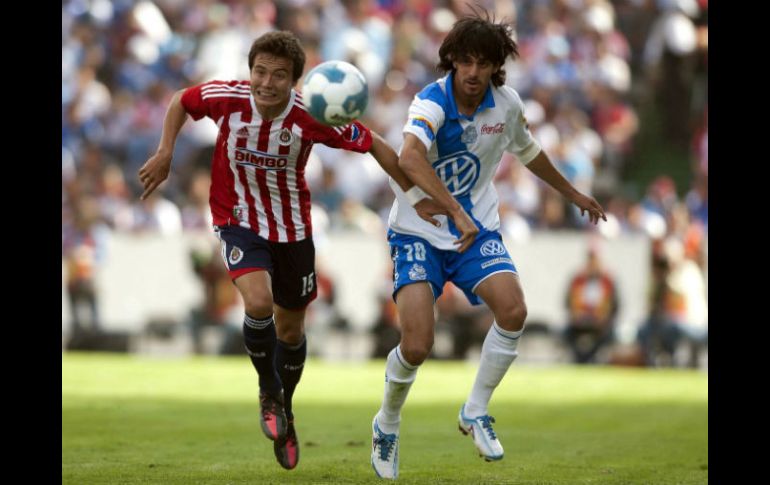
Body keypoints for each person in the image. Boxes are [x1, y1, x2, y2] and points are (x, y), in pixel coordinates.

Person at [138, 31, 444, 471]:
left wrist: (416, 198)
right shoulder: (228, 97)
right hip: (237, 219)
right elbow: (181, 101)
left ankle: (286, 410)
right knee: (258, 302)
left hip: (293, 230)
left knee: (291, 332)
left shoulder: (311, 115)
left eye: (279, 75)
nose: (266, 82)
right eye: (260, 71)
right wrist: (166, 151)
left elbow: (375, 141)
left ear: (294, 82)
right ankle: (268, 391)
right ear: (250, 71)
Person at [370, 13, 606, 479]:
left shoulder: (507, 105)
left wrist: (573, 193)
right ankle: (388, 422)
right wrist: (453, 210)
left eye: (484, 63)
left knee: (513, 310)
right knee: (417, 344)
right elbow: (409, 156)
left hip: (476, 230)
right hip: (418, 231)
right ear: (452, 62)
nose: (474, 73)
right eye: (466, 62)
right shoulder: (431, 101)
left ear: (497, 66)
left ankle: (474, 410)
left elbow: (529, 151)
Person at [563, 249, 619, 364]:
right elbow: (568, 302)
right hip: (580, 321)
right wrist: (575, 315)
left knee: (607, 334)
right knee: (566, 333)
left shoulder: (608, 281)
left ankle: (592, 359)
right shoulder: (577, 280)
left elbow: (615, 305)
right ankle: (579, 359)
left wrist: (605, 318)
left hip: (601, 323)